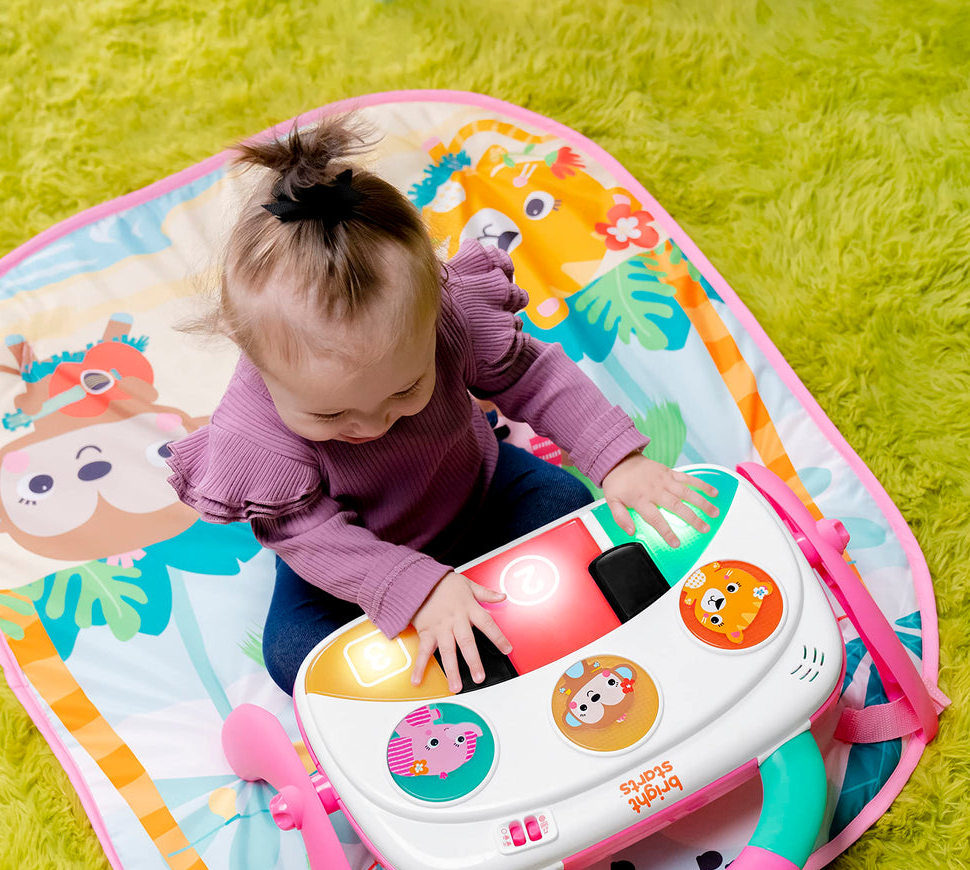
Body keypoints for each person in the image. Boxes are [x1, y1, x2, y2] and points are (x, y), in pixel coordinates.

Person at [166, 113, 718, 696]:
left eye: (405, 390)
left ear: (434, 307)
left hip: (479, 496)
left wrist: (617, 460)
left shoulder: (451, 320)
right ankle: (453, 668)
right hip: (352, 557)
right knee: (295, 657)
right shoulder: (256, 436)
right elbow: (309, 536)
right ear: (256, 361)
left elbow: (534, 376)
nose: (373, 424)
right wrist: (412, 587)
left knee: (567, 506)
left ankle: (507, 636)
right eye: (330, 416)